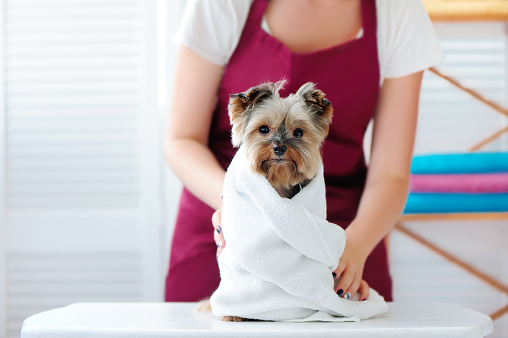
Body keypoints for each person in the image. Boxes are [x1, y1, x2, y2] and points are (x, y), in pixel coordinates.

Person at [164, 0, 443, 302]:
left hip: (340, 228)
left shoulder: (398, 11)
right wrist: (237, 202)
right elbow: (182, 139)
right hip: (225, 217)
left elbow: (391, 174)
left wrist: (353, 247)